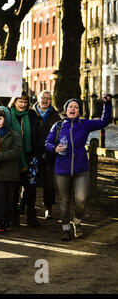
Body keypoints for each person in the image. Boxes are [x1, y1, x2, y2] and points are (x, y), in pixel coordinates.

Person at [45, 95, 112, 241]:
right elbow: (47, 143)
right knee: (64, 201)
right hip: (62, 169)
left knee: (81, 199)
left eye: (76, 107)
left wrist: (107, 104)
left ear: (79, 111)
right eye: (70, 107)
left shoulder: (84, 124)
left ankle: (77, 222)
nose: (73, 109)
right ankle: (65, 229)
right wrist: (54, 148)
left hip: (81, 169)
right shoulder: (58, 126)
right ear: (66, 110)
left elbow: (104, 121)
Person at [8, 95, 45, 227]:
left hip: (30, 157)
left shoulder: (32, 115)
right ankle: (13, 216)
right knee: (13, 188)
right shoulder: (8, 115)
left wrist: (39, 150)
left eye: (25, 102)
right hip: (14, 157)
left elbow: (39, 134)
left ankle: (31, 216)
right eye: (20, 101)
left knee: (31, 188)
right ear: (14, 102)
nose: (22, 104)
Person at [33, 90, 61, 220]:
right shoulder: (31, 113)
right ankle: (26, 205)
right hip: (33, 152)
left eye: (48, 99)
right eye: (43, 98)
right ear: (38, 99)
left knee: (49, 183)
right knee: (30, 180)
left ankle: (48, 208)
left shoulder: (55, 116)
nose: (45, 101)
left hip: (49, 154)